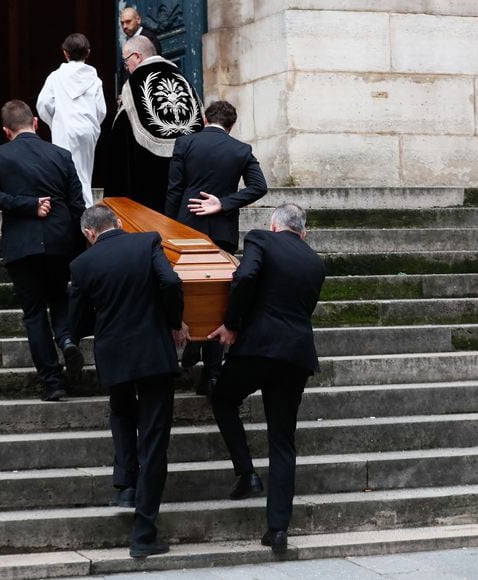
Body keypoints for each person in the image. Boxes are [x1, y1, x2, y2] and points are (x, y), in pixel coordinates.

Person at [68, 204, 188, 559]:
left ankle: (125, 485)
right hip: (153, 352)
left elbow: (77, 321)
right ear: (118, 223)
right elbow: (170, 282)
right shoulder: (147, 242)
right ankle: (143, 531)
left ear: (89, 234)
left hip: (114, 355)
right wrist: (174, 321)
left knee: (120, 413)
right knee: (154, 441)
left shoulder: (82, 264)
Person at [208, 204, 326, 554]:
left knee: (223, 397)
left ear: (274, 225)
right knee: (283, 442)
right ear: (302, 232)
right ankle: (277, 530)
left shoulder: (260, 239)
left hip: (258, 347)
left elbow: (244, 278)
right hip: (296, 355)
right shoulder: (315, 262)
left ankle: (246, 472)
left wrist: (231, 324)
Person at [0, 100, 86, 402]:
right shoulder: (61, 155)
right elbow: (77, 204)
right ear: (36, 122)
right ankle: (66, 339)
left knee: (35, 313)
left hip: (21, 245)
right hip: (59, 240)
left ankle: (53, 382)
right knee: (60, 299)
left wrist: (25, 204)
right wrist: (81, 243)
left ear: (6, 131)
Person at [166, 100, 268, 395]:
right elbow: (259, 186)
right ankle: (211, 375)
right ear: (231, 125)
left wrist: (167, 226)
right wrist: (223, 203)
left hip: (186, 229)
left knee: (187, 292)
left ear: (203, 118)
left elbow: (174, 189)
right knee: (217, 300)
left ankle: (190, 347)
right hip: (221, 232)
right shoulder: (240, 150)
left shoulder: (185, 143)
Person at [105, 35, 204, 213]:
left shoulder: (134, 83)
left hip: (151, 180)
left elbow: (121, 134)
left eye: (126, 61)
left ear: (137, 56)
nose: (126, 68)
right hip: (191, 167)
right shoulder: (181, 76)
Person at [37, 33, 106, 208]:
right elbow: (101, 110)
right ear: (88, 53)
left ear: (65, 53)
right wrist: (91, 124)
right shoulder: (95, 80)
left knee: (64, 173)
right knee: (84, 172)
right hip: (87, 129)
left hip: (65, 128)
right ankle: (86, 209)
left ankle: (73, 211)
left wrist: (56, 120)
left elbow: (43, 103)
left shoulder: (56, 77)